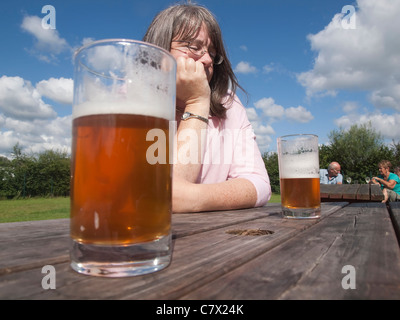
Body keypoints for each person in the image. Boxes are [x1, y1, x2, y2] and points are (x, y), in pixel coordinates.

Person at [143, 4, 271, 212]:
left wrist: (193, 198)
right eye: (193, 47)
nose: (207, 59)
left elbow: (258, 183)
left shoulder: (229, 105)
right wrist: (196, 102)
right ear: (159, 49)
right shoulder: (128, 107)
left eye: (212, 53)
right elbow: (151, 198)